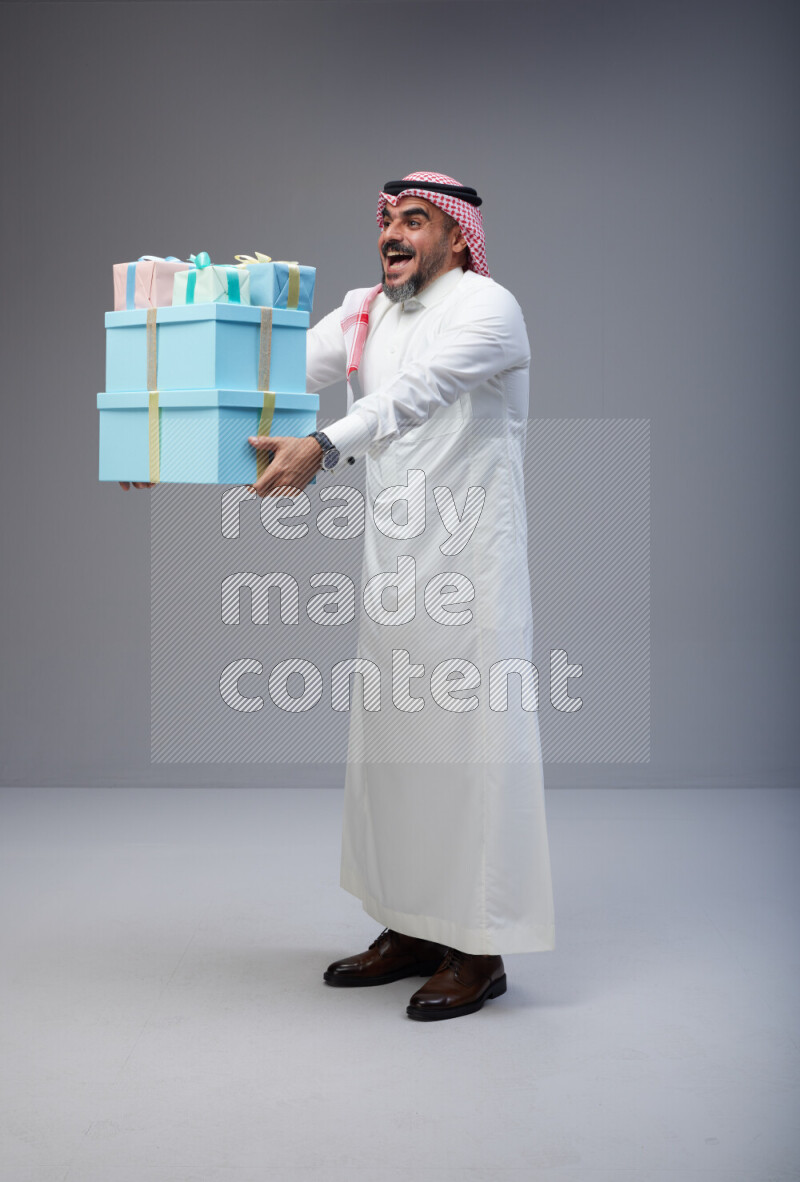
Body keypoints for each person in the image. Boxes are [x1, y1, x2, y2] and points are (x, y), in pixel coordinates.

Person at [123, 170, 556, 1022]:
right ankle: (412, 927)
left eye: (416, 220)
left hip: (472, 568)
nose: (393, 233)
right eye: (388, 219)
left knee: (469, 752)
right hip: (393, 562)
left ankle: (479, 949)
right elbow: (266, 371)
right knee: (394, 753)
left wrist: (322, 443)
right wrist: (159, 437)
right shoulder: (366, 312)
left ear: (458, 236)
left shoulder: (488, 309)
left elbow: (413, 397)